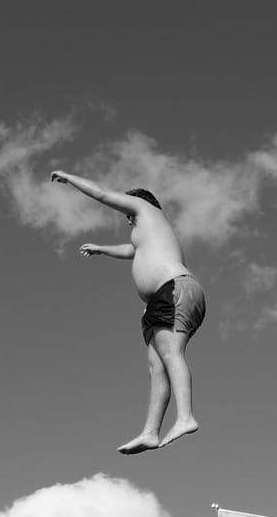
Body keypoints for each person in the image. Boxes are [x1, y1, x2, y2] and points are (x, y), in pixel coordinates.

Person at [50, 170, 205, 453]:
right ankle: (150, 432)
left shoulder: (145, 209)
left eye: (127, 215)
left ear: (138, 203)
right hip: (164, 297)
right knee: (156, 365)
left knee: (171, 353)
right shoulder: (151, 235)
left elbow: (102, 194)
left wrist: (69, 178)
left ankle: (185, 416)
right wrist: (101, 249)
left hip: (173, 290)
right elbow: (130, 250)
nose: (127, 220)